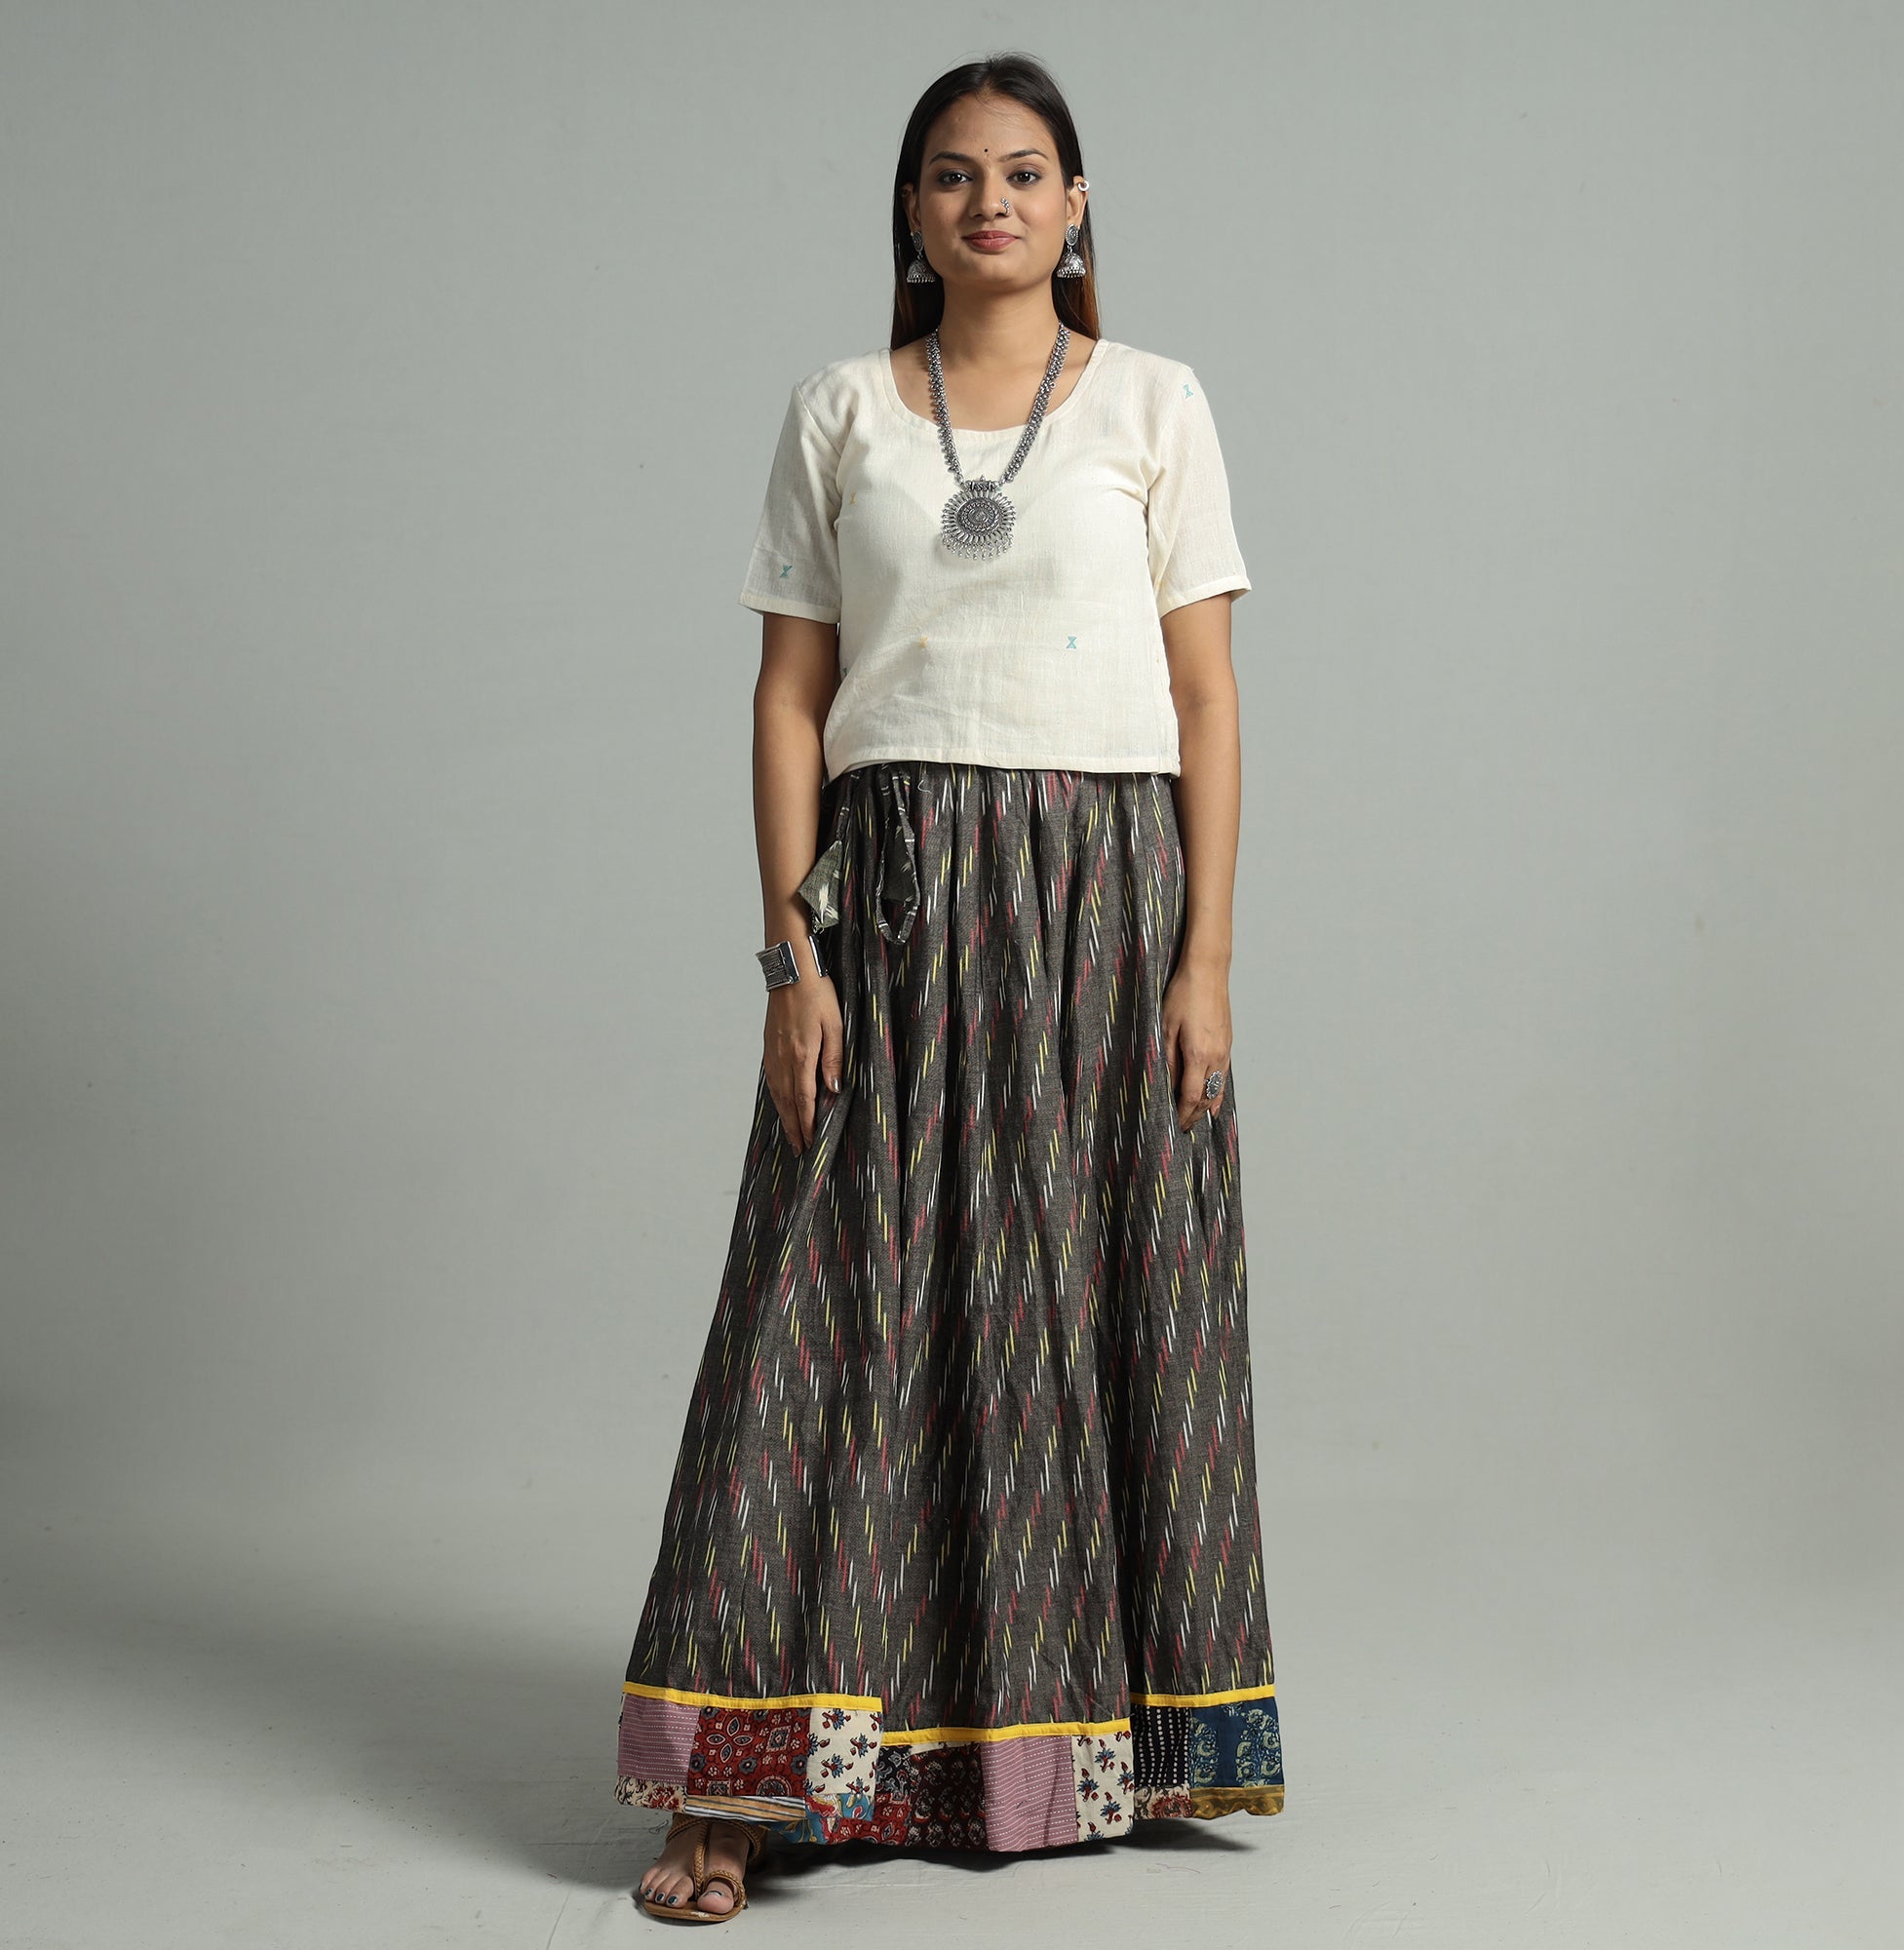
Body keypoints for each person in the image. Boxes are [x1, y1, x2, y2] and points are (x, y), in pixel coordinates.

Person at [621, 50, 1285, 1925]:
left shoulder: (1155, 402)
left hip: (1103, 904)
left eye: (1025, 171)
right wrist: (791, 955)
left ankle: (1048, 1755)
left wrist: (1206, 958)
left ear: (1076, 205)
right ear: (912, 214)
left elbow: (1208, 695)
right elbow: (788, 699)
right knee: (823, 1318)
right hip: (898, 897)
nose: (990, 200)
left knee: (1079, 1307)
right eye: (951, 174)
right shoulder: (842, 408)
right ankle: (738, 1782)